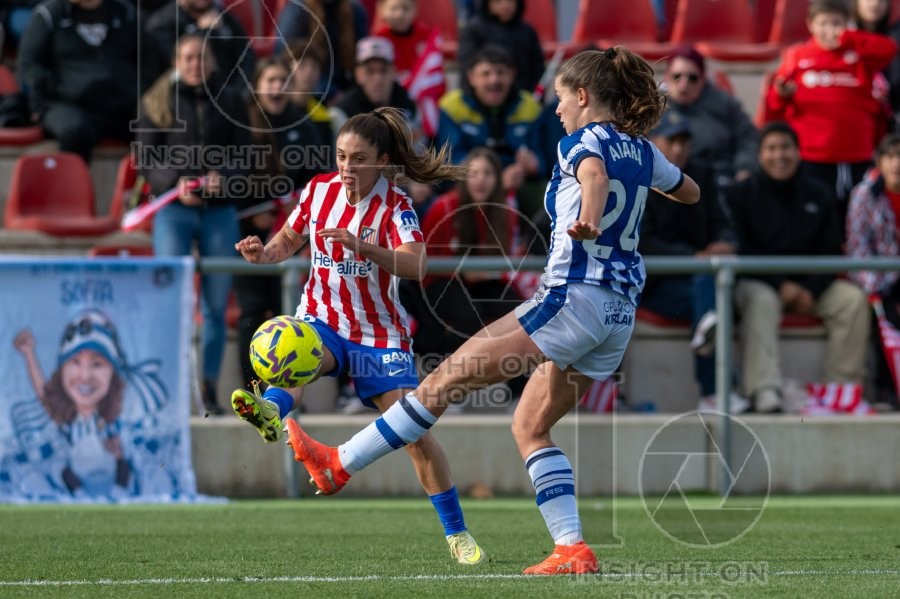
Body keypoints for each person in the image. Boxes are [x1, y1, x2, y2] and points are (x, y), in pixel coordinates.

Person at [282, 47, 700, 575]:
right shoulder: (642, 152)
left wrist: (590, 219)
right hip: (617, 314)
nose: (556, 112)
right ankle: (571, 547)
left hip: (573, 298)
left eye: (559, 100)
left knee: (440, 385)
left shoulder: (582, 141)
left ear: (583, 96)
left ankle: (338, 463)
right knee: (529, 425)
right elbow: (690, 190)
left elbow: (593, 177)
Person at [229, 107, 485, 565]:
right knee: (293, 348)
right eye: (342, 156)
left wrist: (364, 246)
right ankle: (271, 409)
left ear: (382, 162)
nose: (347, 167)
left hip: (377, 335)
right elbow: (289, 241)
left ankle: (457, 533)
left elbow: (417, 264)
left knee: (415, 433)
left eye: (359, 159)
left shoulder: (396, 205)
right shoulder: (318, 191)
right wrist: (263, 254)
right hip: (322, 318)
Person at [135, 33, 249, 415]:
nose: (194, 64)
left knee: (216, 306)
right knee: (170, 300)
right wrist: (173, 183)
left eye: (201, 57)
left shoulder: (231, 99)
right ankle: (168, 389)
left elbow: (246, 155)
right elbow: (146, 158)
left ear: (212, 61)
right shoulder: (157, 99)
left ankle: (209, 390)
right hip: (174, 210)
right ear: (175, 60)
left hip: (219, 210)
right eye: (187, 57)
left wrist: (224, 178)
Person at [725, 121, 871, 413]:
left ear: (798, 152)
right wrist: (782, 285)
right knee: (762, 301)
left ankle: (838, 389)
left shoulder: (819, 193)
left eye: (786, 148)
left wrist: (809, 289)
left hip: (809, 287)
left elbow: (831, 251)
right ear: (760, 155)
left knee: (853, 301)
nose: (780, 155)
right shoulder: (739, 194)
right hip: (761, 283)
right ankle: (764, 390)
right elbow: (740, 251)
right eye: (772, 149)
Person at [639, 110, 747, 414]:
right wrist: (694, 258)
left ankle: (713, 385)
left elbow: (723, 220)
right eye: (671, 141)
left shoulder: (702, 174)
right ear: (654, 142)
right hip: (657, 284)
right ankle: (715, 391)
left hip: (701, 279)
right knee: (710, 296)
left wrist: (725, 243)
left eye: (684, 141)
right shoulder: (638, 178)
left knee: (709, 295)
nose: (678, 149)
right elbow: (643, 244)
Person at [233, 57, 329, 391]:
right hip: (245, 232)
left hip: (287, 232)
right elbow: (229, 174)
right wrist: (251, 205)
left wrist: (293, 207)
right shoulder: (242, 122)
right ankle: (250, 389)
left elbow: (318, 176)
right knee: (252, 310)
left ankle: (278, 390)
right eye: (270, 80)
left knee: (283, 312)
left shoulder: (303, 123)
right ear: (257, 85)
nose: (277, 88)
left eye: (283, 81)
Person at [10, 310, 172, 499]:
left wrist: (118, 455)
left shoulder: (112, 419)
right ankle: (78, 494)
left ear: (113, 374)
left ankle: (118, 494)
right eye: (75, 362)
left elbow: (128, 452)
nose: (85, 376)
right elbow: (44, 394)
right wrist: (29, 355)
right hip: (76, 480)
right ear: (61, 371)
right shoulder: (69, 421)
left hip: (111, 480)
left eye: (97, 364)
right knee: (54, 467)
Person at [761, 0, 897, 222]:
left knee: (857, 222)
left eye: (837, 23)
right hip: (812, 160)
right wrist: (781, 93)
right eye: (823, 23)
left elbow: (889, 49)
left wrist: (849, 38)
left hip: (858, 159)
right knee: (817, 222)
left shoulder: (860, 54)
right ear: (811, 25)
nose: (830, 30)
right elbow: (773, 110)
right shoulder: (797, 56)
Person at [411, 147, 521, 358]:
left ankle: (517, 387)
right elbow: (423, 260)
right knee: (469, 317)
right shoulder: (444, 206)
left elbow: (502, 258)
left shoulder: (502, 212)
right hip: (438, 281)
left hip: (480, 281)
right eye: (474, 173)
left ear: (497, 179)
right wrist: (462, 272)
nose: (481, 180)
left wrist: (479, 273)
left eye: (488, 173)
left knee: (518, 314)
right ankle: (442, 372)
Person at [17, 0, 153, 161]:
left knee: (155, 124)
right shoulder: (48, 14)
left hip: (119, 105)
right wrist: (39, 102)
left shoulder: (126, 13)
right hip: (68, 104)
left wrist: (140, 93)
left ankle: (158, 183)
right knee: (74, 131)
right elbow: (29, 64)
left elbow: (148, 62)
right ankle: (72, 184)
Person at [438, 44, 544, 214]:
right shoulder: (452, 106)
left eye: (501, 72)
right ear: (471, 77)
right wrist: (493, 179)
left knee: (550, 198)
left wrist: (534, 164)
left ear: (512, 75)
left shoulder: (530, 106)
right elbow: (450, 160)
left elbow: (544, 158)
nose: (494, 80)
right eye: (486, 74)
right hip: (470, 184)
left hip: (518, 187)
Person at [846, 131, 900, 409]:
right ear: (880, 161)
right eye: (891, 156)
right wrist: (875, 285)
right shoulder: (864, 195)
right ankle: (885, 391)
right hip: (879, 277)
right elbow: (858, 249)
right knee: (885, 313)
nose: (897, 164)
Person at [662, 44, 758, 186]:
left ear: (703, 79)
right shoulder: (652, 107)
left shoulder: (724, 104)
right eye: (677, 76)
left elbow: (748, 138)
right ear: (667, 77)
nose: (683, 84)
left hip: (719, 181)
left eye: (692, 78)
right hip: (668, 184)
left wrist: (745, 168)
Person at [145, 0, 254, 90]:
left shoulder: (225, 18)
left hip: (228, 98)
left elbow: (247, 59)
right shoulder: (161, 25)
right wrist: (203, 32)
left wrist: (236, 95)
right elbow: (179, 66)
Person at [274, 0, 369, 98]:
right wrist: (330, 93)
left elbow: (360, 60)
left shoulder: (354, 10)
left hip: (344, 93)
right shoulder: (298, 10)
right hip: (309, 91)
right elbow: (283, 57)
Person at [329, 36, 418, 133]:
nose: (378, 79)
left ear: (394, 72)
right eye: (370, 71)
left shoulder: (409, 106)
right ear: (358, 74)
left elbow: (419, 145)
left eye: (383, 71)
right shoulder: (342, 113)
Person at [457, 0, 545, 93]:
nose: (505, 6)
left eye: (510, 1)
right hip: (484, 95)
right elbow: (467, 67)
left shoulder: (527, 31)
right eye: (498, 1)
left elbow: (537, 67)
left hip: (522, 95)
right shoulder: (473, 30)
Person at [372, 0, 434, 86]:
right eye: (393, 9)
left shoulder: (426, 36)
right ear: (381, 10)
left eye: (405, 8)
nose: (400, 15)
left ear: (415, 9)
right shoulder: (378, 40)